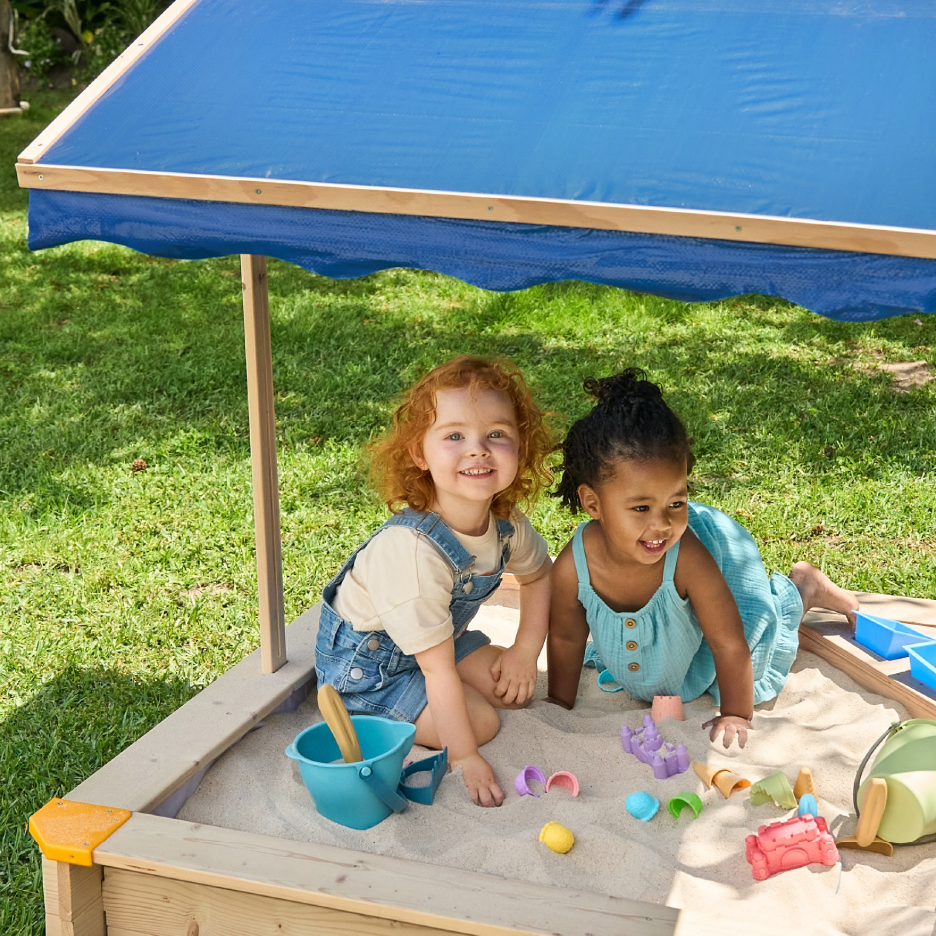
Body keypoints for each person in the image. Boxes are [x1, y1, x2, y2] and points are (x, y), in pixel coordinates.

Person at [546, 369, 857, 748]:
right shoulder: (572, 566)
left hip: (722, 586)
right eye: (641, 507)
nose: (662, 524)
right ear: (593, 503)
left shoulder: (686, 555)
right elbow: (564, 637)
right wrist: (558, 706)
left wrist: (736, 714)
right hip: (672, 639)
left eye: (676, 502)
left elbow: (729, 643)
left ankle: (802, 588)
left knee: (753, 662)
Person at [315, 356, 553, 806]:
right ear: (419, 454)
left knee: (511, 688)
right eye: (455, 435)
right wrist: (464, 757)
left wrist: (525, 651)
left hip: (435, 645)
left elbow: (541, 574)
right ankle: (363, 720)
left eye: (497, 434)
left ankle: (437, 707)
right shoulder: (413, 553)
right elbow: (436, 668)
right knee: (482, 723)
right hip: (370, 674)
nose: (478, 449)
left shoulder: (505, 524)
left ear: (521, 448)